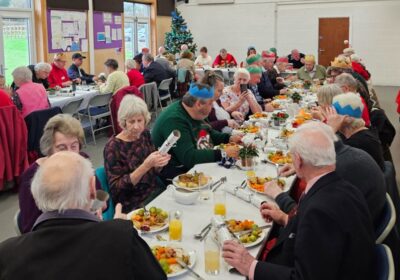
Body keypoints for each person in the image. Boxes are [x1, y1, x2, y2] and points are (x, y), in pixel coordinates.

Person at [222, 123, 375, 280]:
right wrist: (285, 218)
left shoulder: (319, 212)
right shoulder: (345, 187)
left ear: (299, 161)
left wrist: (250, 266)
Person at [1, 151, 167, 280]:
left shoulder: (6, 253)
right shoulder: (120, 237)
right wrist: (116, 230)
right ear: (92, 189)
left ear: (37, 196)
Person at [266, 122, 386, 228]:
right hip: (361, 227)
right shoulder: (350, 155)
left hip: (341, 240)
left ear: (298, 160)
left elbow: (308, 222)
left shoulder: (331, 180)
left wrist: (279, 196)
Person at [18, 114, 100, 233]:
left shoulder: (83, 161)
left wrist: (97, 208)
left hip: (87, 227)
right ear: (49, 148)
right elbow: (30, 228)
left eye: (74, 146)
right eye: (62, 148)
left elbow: (101, 195)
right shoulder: (31, 176)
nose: (70, 153)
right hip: (54, 237)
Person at [151, 83, 242, 179]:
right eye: (211, 103)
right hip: (178, 173)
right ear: (198, 104)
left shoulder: (194, 111)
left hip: (197, 165)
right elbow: (189, 158)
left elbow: (208, 133)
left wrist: (229, 138)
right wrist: (223, 153)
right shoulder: (174, 120)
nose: (212, 108)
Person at [104, 95, 171, 212]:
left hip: (154, 192)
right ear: (124, 122)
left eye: (140, 120)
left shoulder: (144, 134)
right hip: (133, 203)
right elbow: (117, 190)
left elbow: (153, 172)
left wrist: (159, 164)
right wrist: (145, 166)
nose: (136, 126)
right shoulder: (113, 147)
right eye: (131, 121)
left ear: (145, 119)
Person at [326, 93, 385, 170]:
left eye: (333, 113)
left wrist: (331, 129)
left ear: (345, 119)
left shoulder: (357, 143)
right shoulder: (362, 132)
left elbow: (323, 159)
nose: (330, 117)